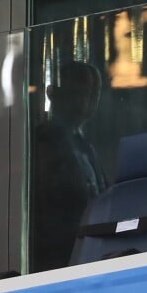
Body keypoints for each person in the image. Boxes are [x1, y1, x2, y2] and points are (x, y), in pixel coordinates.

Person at [31, 61, 107, 272]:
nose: (86, 100)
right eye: (79, 91)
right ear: (53, 93)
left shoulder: (84, 145)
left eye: (93, 93)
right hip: (57, 258)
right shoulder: (43, 141)